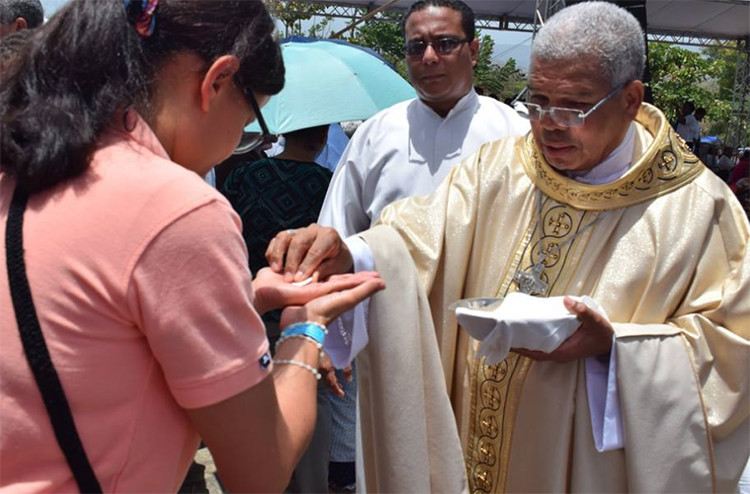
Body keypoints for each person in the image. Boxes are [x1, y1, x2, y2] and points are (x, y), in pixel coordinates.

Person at [266, 2, 750, 492]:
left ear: (630, 99)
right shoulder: (500, 168)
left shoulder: (698, 209)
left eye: (574, 106)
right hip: (472, 429)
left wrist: (616, 348)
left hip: (588, 465)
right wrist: (349, 253)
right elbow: (417, 237)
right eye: (537, 101)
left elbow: (731, 354)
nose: (549, 124)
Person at [0, 1, 384, 493]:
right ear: (218, 81)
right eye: (251, 123)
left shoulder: (28, 165)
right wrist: (303, 333)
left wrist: (247, 296)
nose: (238, 144)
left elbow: (97, 328)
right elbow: (260, 472)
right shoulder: (176, 209)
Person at [317, 2, 528, 488]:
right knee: (396, 463)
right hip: (392, 334)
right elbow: (338, 233)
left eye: (446, 43)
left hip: (487, 342)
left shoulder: (516, 136)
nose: (429, 56)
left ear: (475, 50)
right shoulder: (376, 134)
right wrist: (328, 329)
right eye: (417, 47)